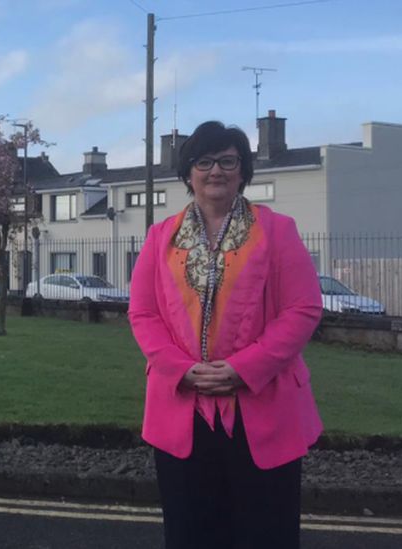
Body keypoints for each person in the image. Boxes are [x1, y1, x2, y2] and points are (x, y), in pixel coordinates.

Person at [128, 121, 323, 548]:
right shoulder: (160, 237)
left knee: (265, 534)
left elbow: (303, 308)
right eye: (204, 161)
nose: (216, 171)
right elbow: (143, 312)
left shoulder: (278, 230)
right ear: (188, 173)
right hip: (182, 409)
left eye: (228, 161)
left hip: (264, 406)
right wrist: (182, 369)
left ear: (243, 170)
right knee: (191, 533)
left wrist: (242, 368)